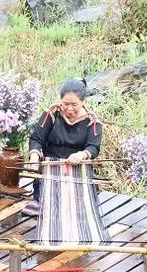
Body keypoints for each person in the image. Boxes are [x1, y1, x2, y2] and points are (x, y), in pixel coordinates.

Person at [23, 78, 103, 216]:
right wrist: (34, 156)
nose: (69, 108)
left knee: (78, 208)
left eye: (74, 104)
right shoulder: (51, 114)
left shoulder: (92, 121)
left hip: (76, 169)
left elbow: (93, 147)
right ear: (60, 100)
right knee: (47, 201)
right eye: (65, 104)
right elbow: (36, 138)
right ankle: (41, 200)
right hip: (50, 169)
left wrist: (82, 155)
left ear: (83, 102)